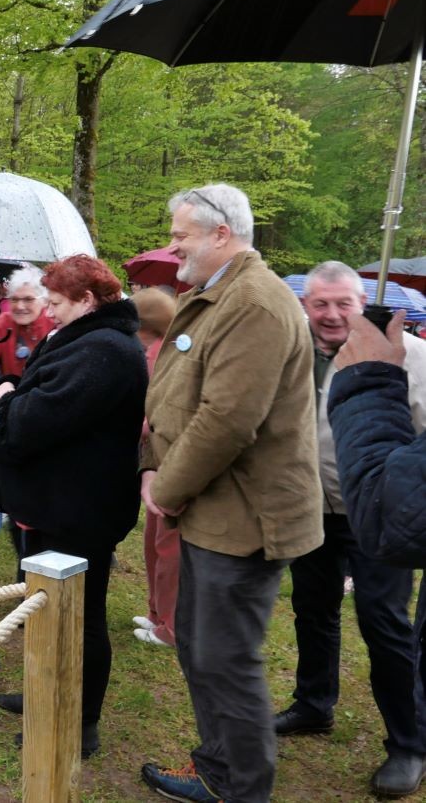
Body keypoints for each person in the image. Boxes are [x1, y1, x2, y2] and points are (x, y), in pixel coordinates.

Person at [139, 184, 322, 803]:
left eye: (182, 234)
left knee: (225, 659)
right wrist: (150, 465)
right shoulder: (217, 296)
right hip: (212, 512)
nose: (173, 246)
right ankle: (217, 768)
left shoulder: (257, 304)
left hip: (247, 521)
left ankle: (241, 789)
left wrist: (165, 488)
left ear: (222, 234)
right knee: (198, 644)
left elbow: (227, 420)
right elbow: (171, 391)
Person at [266, 262, 426, 798]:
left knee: (383, 622)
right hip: (314, 507)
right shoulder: (294, 355)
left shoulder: (411, 357)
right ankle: (314, 704)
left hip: (382, 511)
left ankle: (409, 742)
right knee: (313, 608)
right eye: (320, 304)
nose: (332, 315)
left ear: (362, 304)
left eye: (344, 304)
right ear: (304, 306)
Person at [0, 254, 147, 758]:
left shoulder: (105, 351)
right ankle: (44, 694)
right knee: (46, 610)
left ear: (87, 300)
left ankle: (80, 722)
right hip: (59, 502)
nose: (48, 313)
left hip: (81, 510)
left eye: (55, 303)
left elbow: (32, 423)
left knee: (82, 619)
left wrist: (4, 400)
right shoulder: (86, 341)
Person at [130, 287, 178, 649]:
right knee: (153, 543)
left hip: (169, 462)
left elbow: (161, 411)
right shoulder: (153, 351)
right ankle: (156, 611)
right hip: (154, 460)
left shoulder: (170, 353)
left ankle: (171, 626)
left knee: (168, 548)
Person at [0, 266, 53, 378]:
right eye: (14, 299)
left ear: (44, 301)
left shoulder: (53, 324)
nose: (20, 306)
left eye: (28, 299)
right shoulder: (3, 322)